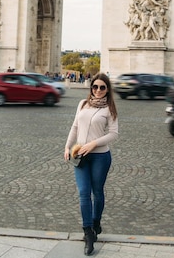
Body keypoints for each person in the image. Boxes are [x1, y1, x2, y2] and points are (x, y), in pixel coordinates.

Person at [64, 73, 119, 256]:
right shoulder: (82, 103)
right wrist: (67, 147)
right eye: (95, 87)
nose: (98, 90)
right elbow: (75, 126)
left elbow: (113, 134)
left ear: (107, 89)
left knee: (97, 192)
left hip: (100, 157)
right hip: (80, 156)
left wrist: (94, 143)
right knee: (83, 193)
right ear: (91, 87)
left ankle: (96, 222)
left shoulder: (110, 109)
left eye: (102, 87)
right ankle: (88, 232)